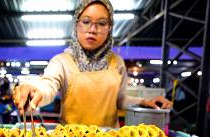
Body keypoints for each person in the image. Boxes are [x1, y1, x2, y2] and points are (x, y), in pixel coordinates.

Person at [13, 0, 172, 127]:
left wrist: (145, 102)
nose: (92, 29)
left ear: (109, 28)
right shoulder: (62, 61)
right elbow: (48, 86)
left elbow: (120, 100)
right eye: (86, 21)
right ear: (76, 24)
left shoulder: (117, 63)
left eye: (101, 23)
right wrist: (36, 90)